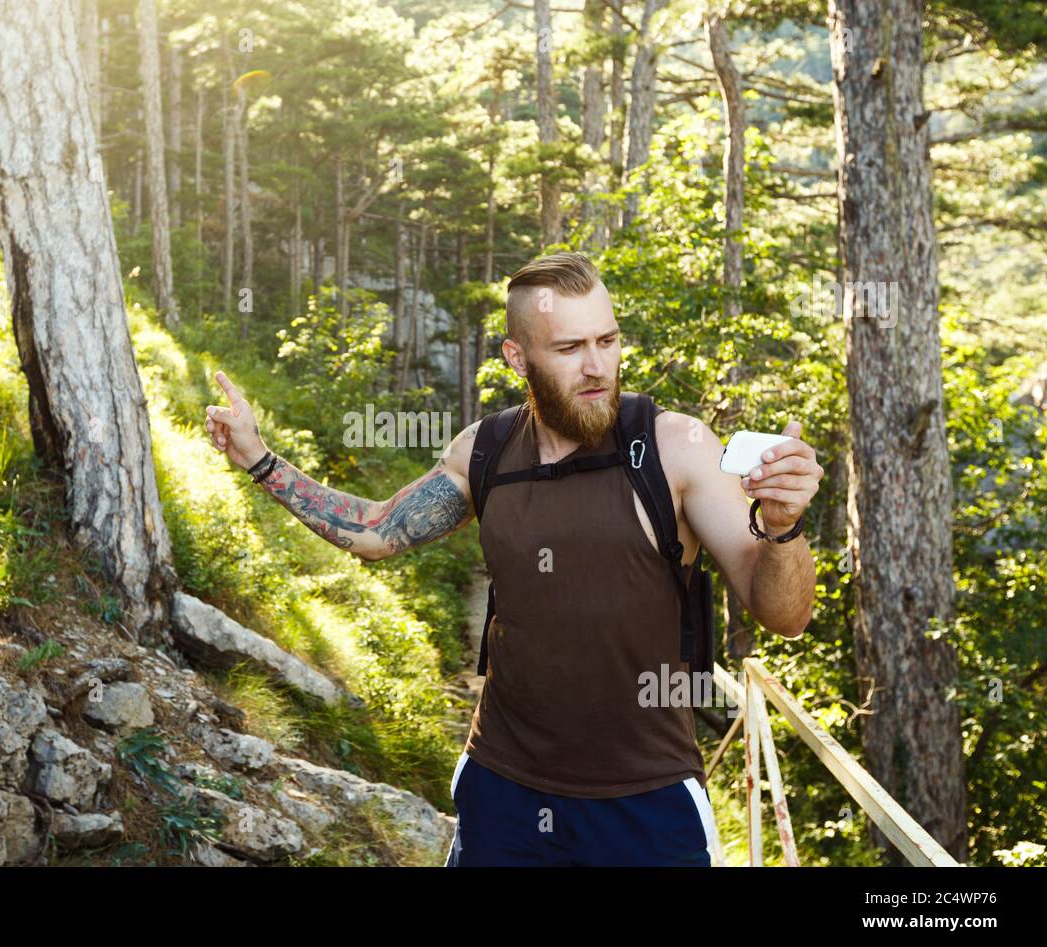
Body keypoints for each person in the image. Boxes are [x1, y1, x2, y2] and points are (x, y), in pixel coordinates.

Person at [203, 251, 823, 866]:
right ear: (517, 357)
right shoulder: (485, 451)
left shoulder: (676, 447)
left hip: (646, 803)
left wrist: (783, 528)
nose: (596, 366)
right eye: (569, 348)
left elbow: (785, 615)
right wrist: (261, 461)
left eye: (607, 340)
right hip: (503, 789)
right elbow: (375, 531)